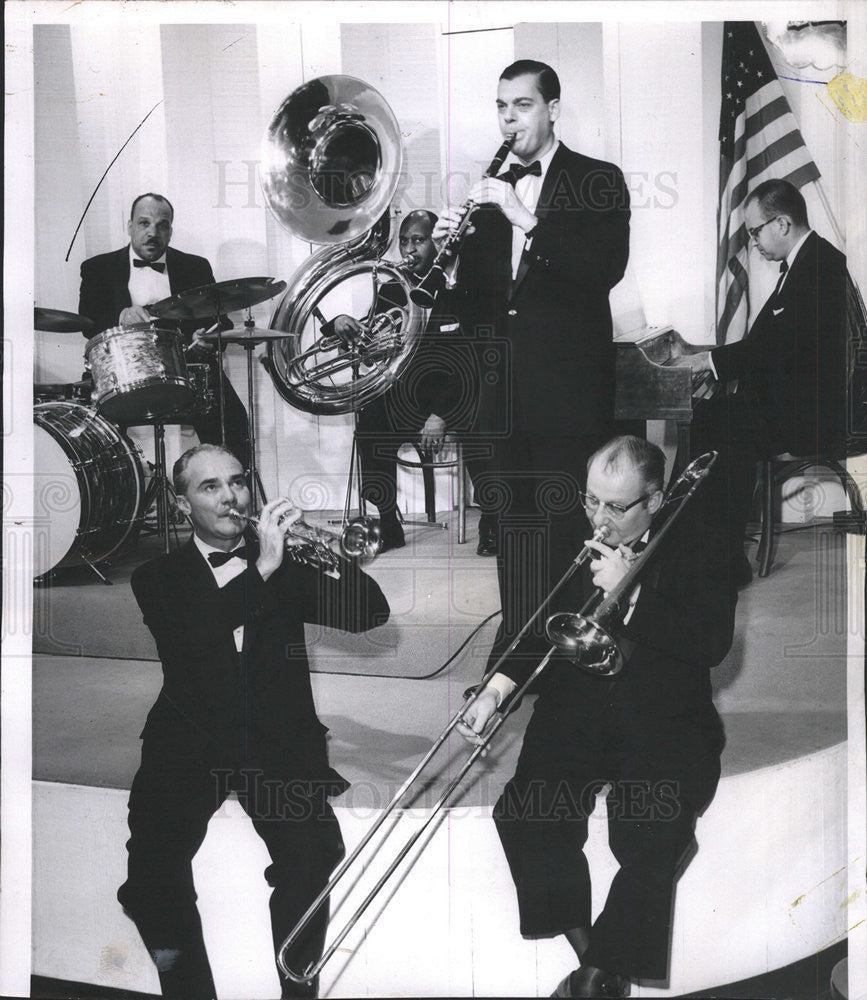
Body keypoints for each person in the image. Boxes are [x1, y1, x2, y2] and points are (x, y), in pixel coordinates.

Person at [458, 436, 737, 998]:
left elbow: (711, 643)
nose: (599, 518)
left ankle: (592, 979)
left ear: (654, 501)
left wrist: (630, 597)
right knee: (527, 813)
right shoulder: (571, 532)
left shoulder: (705, 545)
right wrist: (495, 691)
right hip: (578, 708)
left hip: (663, 715)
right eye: (591, 500)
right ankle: (598, 967)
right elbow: (533, 621)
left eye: (616, 506)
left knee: (652, 834)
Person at [119, 444, 389, 999]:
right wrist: (264, 566)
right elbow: (197, 642)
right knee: (152, 867)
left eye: (237, 482)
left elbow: (369, 614)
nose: (230, 496)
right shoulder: (156, 576)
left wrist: (335, 554)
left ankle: (297, 991)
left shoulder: (282, 562)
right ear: (180, 505)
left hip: (275, 736)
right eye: (209, 486)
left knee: (310, 859)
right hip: (190, 735)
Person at [432, 60, 630, 662]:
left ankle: (568, 647)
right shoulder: (486, 194)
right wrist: (450, 260)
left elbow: (603, 271)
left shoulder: (598, 179)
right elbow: (481, 307)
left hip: (567, 391)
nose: (509, 118)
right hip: (501, 395)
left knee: (567, 527)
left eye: (521, 104)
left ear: (552, 109)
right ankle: (515, 650)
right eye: (501, 106)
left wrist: (525, 217)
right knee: (513, 533)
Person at [673, 178, 850, 584]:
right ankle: (704, 547)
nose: (753, 242)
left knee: (720, 423)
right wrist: (712, 360)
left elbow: (775, 348)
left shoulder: (819, 266)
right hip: (801, 401)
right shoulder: (808, 262)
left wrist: (710, 362)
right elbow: (767, 342)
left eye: (755, 231)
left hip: (816, 417)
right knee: (716, 417)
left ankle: (717, 557)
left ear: (782, 224)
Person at [327, 210, 482, 551]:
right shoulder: (391, 288)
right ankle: (387, 522)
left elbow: (472, 363)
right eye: (404, 241)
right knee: (369, 423)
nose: (409, 248)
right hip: (406, 397)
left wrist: (440, 416)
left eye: (419, 240)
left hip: (452, 396)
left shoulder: (463, 289)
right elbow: (370, 342)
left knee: (485, 421)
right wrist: (340, 322)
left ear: (438, 242)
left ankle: (494, 518)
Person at [79, 193, 250, 470]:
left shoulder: (195, 266)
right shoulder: (98, 268)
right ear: (130, 226)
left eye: (162, 225)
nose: (152, 232)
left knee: (234, 421)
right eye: (144, 223)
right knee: (94, 437)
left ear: (170, 230)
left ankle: (232, 501)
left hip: (188, 369)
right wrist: (120, 315)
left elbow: (222, 323)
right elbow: (87, 322)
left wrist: (206, 339)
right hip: (122, 373)